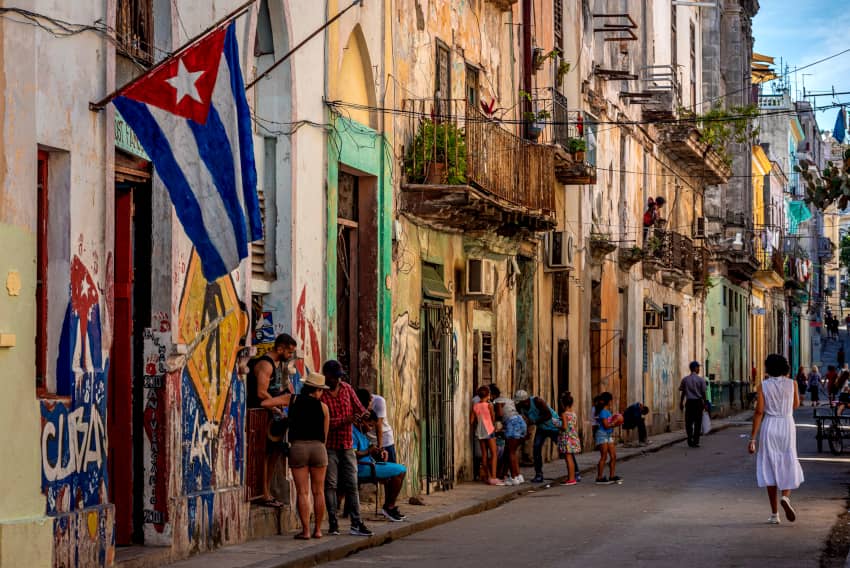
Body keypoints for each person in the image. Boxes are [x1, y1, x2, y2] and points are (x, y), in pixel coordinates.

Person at [748, 354, 804, 524]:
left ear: (768, 368)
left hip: (769, 425)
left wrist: (752, 439)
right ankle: (786, 497)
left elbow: (759, 412)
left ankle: (774, 514)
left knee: (769, 466)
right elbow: (795, 405)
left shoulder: (763, 386)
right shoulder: (792, 384)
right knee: (788, 460)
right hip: (787, 424)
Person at [321, 360, 373, 537]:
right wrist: (344, 420)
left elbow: (359, 406)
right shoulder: (321, 394)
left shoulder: (347, 388)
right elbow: (323, 422)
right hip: (330, 446)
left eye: (338, 377)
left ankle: (356, 522)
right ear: (327, 376)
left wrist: (365, 416)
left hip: (347, 444)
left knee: (352, 484)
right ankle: (333, 522)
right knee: (331, 485)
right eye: (334, 377)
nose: (337, 380)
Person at [246, 333, 298, 507]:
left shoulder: (279, 364)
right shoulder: (265, 365)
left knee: (273, 454)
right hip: (262, 416)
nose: (290, 356)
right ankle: (263, 494)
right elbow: (261, 393)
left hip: (273, 417)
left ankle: (266, 492)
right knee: (264, 456)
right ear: (280, 348)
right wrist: (276, 406)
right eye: (289, 352)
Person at [287, 372, 330, 539]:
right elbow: (324, 436)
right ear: (318, 390)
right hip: (318, 448)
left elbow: (266, 401)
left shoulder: (293, 400)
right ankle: (318, 530)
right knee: (319, 492)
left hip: (298, 448)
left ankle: (305, 531)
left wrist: (280, 412)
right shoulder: (324, 408)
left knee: (303, 492)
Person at [353, 413, 407, 522]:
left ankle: (389, 506)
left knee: (401, 470)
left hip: (370, 464)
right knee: (399, 471)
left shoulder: (362, 433)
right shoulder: (353, 432)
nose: (370, 429)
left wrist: (380, 452)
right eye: (370, 425)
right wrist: (369, 451)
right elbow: (353, 455)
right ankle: (389, 507)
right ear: (362, 421)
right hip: (362, 468)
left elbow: (370, 448)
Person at [515, 390, 562, 483]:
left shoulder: (537, 401)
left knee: (564, 448)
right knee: (536, 448)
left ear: (526, 400)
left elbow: (548, 415)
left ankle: (575, 471)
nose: (519, 404)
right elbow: (526, 420)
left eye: (520, 402)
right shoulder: (521, 407)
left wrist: (534, 422)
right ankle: (539, 475)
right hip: (541, 428)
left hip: (553, 427)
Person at [492, 385, 527, 485]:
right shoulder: (508, 400)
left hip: (512, 423)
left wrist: (495, 421)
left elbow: (500, 414)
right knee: (513, 451)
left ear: (492, 395)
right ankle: (518, 476)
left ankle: (513, 477)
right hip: (520, 421)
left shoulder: (497, 401)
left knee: (510, 452)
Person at [470, 386, 502, 486]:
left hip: (479, 431)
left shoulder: (475, 406)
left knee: (484, 455)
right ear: (488, 395)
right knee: (494, 454)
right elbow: (492, 418)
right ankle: (493, 477)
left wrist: (478, 424)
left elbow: (471, 421)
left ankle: (487, 477)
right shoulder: (489, 405)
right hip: (489, 430)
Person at [356, 388, 396, 463]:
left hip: (384, 440)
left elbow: (378, 427)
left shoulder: (379, 401)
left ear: (371, 399)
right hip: (369, 443)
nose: (368, 409)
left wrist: (380, 449)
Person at [594, 392, 622, 484]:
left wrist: (616, 422)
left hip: (608, 435)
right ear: (608, 401)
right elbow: (606, 425)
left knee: (613, 456)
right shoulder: (603, 412)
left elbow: (609, 424)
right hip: (602, 435)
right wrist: (615, 422)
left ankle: (612, 476)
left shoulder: (608, 412)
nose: (611, 402)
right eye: (611, 400)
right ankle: (599, 477)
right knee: (604, 456)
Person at [680, 361, 707, 448]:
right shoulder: (701, 380)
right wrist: (705, 403)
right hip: (698, 403)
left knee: (689, 422)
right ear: (695, 368)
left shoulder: (685, 379)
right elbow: (703, 393)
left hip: (689, 403)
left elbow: (683, 392)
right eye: (698, 367)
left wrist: (681, 402)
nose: (699, 369)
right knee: (698, 422)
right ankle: (695, 441)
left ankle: (689, 438)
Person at [558, 392, 581, 486]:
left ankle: (571, 479)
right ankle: (571, 478)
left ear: (563, 404)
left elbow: (564, 427)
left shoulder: (564, 414)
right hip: (573, 436)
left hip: (566, 437)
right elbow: (573, 426)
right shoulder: (573, 414)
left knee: (568, 458)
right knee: (570, 457)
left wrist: (557, 425)